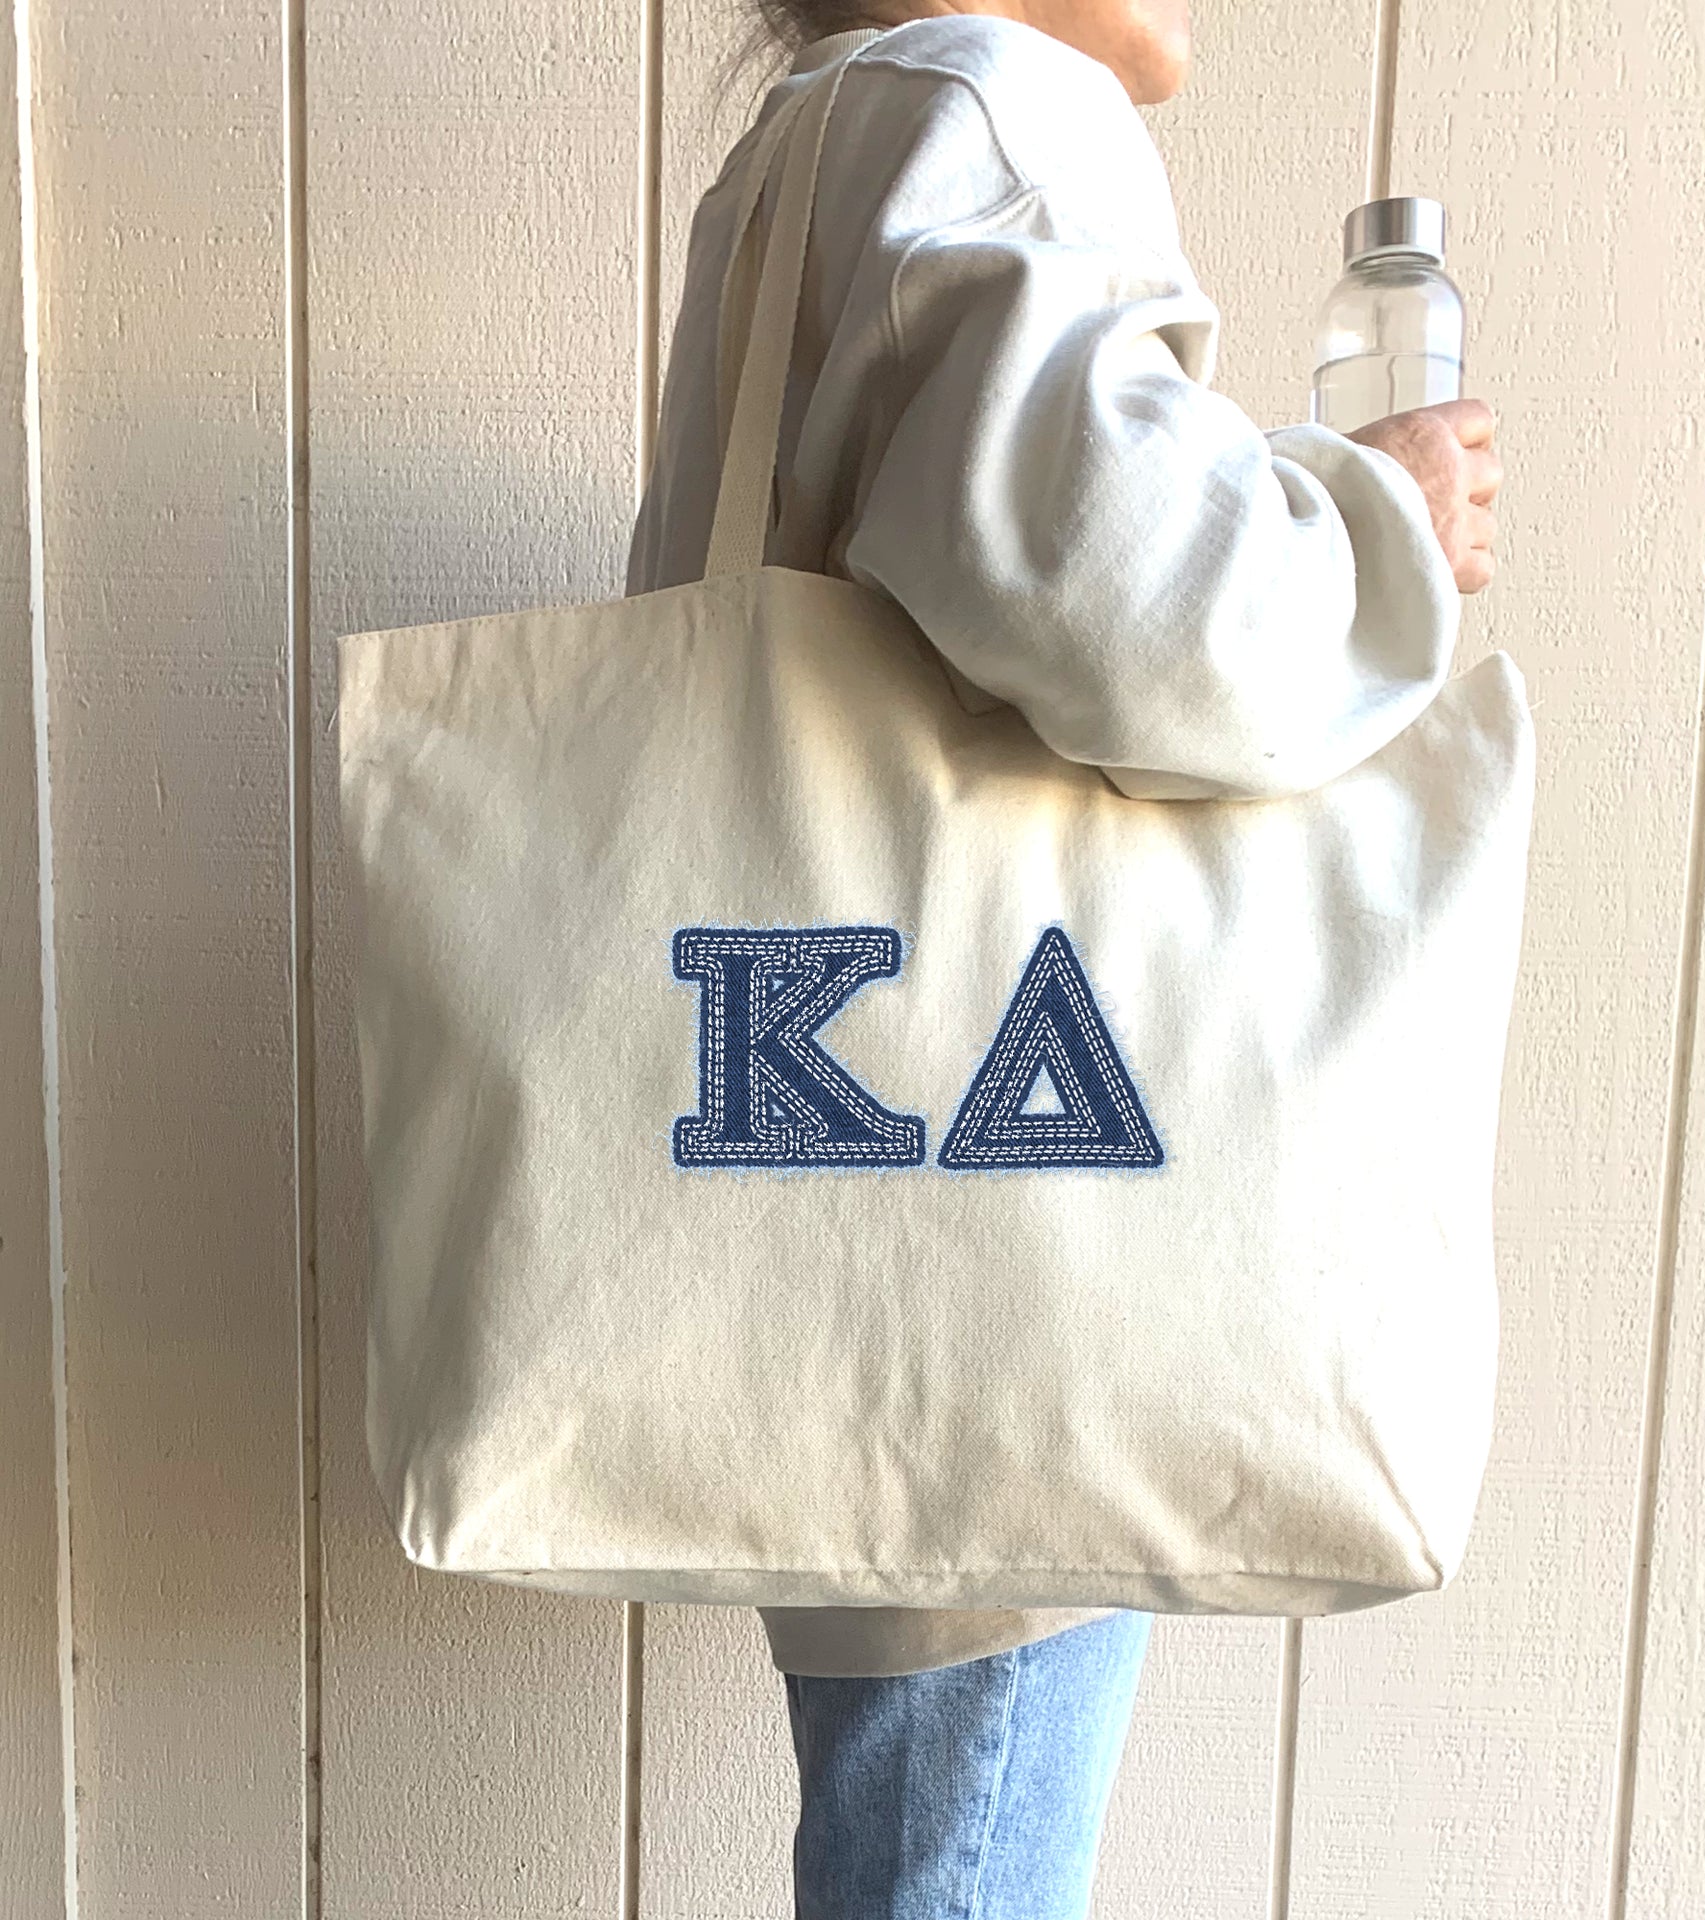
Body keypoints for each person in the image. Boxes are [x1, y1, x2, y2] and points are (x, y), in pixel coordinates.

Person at [626, 4, 1502, 1913]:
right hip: (1008, 1229)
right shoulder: (998, 108)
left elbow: (995, 541)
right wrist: (1385, 526)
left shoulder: (814, 141)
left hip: (851, 1179)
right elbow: (1142, 613)